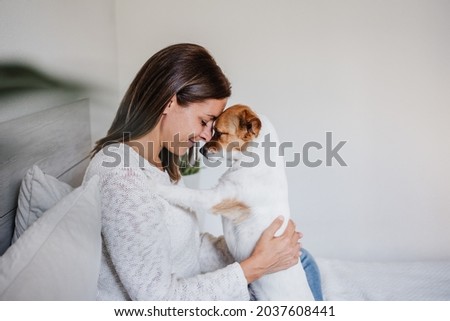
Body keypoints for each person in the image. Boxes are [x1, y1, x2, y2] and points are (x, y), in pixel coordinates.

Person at [84, 43, 322, 300]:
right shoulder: (122, 177)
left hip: (204, 282)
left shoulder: (159, 162)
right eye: (204, 121)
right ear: (169, 102)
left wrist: (261, 248)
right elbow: (159, 300)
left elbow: (189, 250)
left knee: (301, 259)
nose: (207, 136)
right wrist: (255, 266)